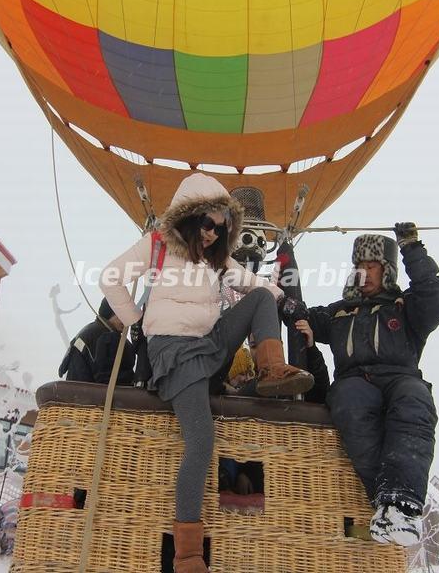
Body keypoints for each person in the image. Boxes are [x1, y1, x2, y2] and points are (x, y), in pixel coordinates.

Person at [100, 173, 313, 573]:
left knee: (261, 297)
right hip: (175, 353)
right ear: (189, 216)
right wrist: (138, 317)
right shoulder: (158, 245)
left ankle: (271, 370)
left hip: (210, 342)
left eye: (221, 226)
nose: (214, 233)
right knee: (201, 441)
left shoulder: (217, 259)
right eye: (207, 224)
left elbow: (253, 281)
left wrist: (288, 304)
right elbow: (109, 278)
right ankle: (188, 555)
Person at [293, 223, 439, 546]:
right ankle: (386, 504)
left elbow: (436, 296)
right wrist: (297, 319)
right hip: (353, 381)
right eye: (359, 266)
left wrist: (411, 248)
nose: (363, 273)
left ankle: (402, 503)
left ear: (387, 270)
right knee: (349, 402)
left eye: (371, 266)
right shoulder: (340, 313)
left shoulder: (406, 309)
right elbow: (301, 314)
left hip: (400, 376)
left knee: (415, 401)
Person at [57, 298, 135, 385]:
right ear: (111, 314)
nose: (126, 320)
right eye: (122, 315)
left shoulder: (88, 331)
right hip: (90, 395)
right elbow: (108, 380)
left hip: (75, 393)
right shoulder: (107, 338)